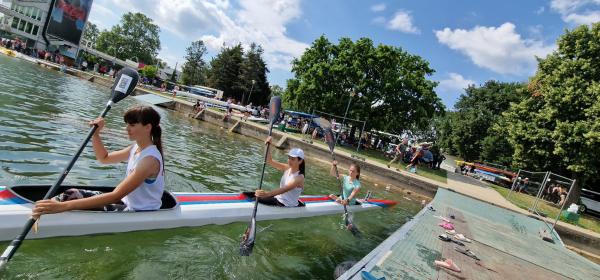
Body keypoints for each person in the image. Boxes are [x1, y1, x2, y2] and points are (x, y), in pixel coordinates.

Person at [32, 106, 165, 216]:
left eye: (132, 124)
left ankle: (48, 209)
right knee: (70, 193)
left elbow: (115, 196)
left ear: (148, 127)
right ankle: (43, 208)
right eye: (126, 124)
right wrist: (96, 134)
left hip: (139, 211)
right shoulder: (135, 148)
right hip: (124, 202)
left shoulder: (149, 160)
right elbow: (104, 158)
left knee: (68, 202)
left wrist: (63, 207)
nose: (127, 128)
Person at [253, 137, 305, 207]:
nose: (289, 161)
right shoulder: (287, 168)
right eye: (289, 158)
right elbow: (269, 161)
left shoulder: (299, 177)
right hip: (278, 198)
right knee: (250, 194)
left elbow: (284, 189)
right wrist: (268, 145)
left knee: (254, 198)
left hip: (286, 204)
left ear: (300, 161)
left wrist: (266, 194)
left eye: (292, 159)